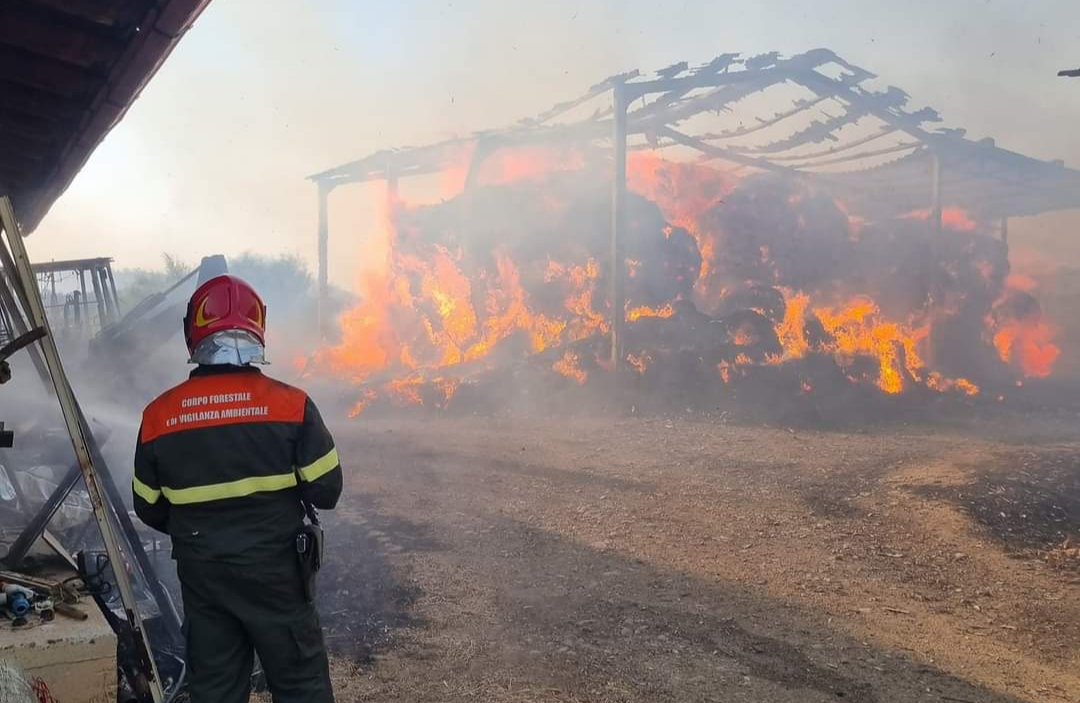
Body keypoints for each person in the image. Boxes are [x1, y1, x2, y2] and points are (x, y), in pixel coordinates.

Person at [132, 274, 342, 703]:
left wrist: (200, 527)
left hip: (204, 575)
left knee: (215, 690)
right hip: (278, 573)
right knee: (301, 685)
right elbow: (326, 490)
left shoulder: (158, 417)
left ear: (193, 331)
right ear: (257, 329)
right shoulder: (293, 405)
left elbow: (148, 506)